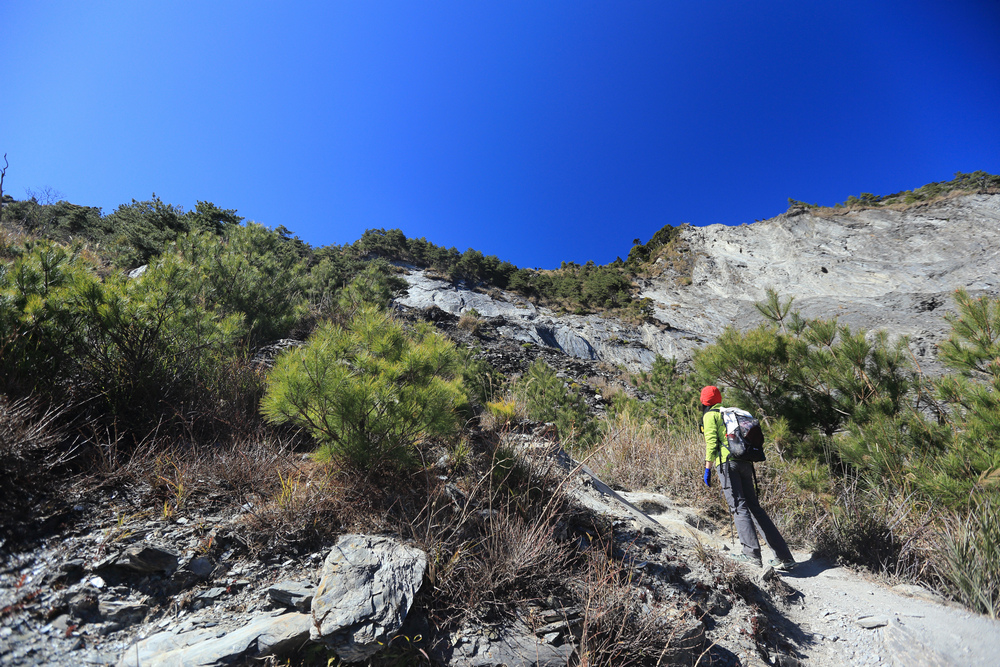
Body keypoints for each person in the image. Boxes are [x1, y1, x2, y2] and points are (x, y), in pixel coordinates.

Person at [700, 385, 796, 571]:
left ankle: (751, 554)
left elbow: (711, 443)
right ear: (718, 399)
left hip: (727, 464)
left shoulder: (710, 415)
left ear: (704, 401)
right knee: (754, 507)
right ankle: (785, 557)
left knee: (738, 506)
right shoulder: (730, 413)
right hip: (745, 462)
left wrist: (707, 469)